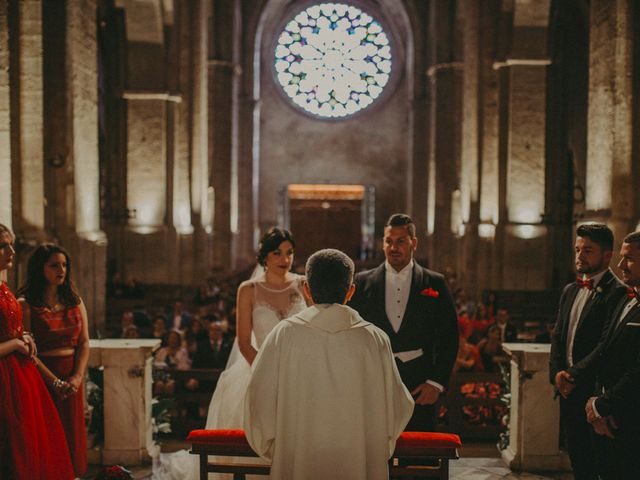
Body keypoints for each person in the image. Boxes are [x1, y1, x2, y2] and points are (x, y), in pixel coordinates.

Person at [244, 248, 414, 479]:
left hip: (299, 456)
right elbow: (398, 405)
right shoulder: (374, 339)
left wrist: (277, 447)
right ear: (351, 291)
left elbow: (258, 397)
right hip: (357, 457)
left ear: (307, 289)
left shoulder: (284, 335)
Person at [152, 227, 307, 479]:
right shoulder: (248, 289)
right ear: (264, 256)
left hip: (298, 370)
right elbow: (244, 341)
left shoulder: (302, 284)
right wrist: (266, 371)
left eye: (289, 253)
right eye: (277, 253)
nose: (284, 259)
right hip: (256, 368)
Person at [349, 213, 458, 431]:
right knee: (375, 451)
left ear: (413, 243)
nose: (393, 247)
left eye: (400, 241)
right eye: (389, 241)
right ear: (383, 243)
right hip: (374, 381)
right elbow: (351, 336)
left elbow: (449, 336)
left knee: (418, 455)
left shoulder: (434, 282)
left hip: (420, 385)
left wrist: (436, 383)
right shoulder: (362, 283)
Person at [547, 223, 624, 480]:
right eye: (577, 249)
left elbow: (605, 345)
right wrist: (557, 373)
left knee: (602, 464)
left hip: (595, 391)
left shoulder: (619, 292)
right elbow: (558, 337)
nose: (580, 256)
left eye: (588, 250)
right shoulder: (570, 289)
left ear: (607, 255)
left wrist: (572, 375)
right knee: (577, 460)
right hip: (568, 392)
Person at [0, 225, 75, 479]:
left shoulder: (4, 287)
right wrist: (16, 345)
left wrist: (24, 336)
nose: (11, 251)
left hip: (21, 378)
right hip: (5, 380)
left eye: (11, 244)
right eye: (2, 246)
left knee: (32, 445)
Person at [569, 231, 640, 478]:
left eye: (629, 258)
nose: (620, 265)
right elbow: (605, 352)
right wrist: (596, 404)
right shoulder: (626, 300)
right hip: (605, 414)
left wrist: (603, 404)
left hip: (630, 416)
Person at [18, 243, 90, 478]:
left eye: (64, 265)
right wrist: (55, 382)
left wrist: (77, 377)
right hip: (41, 377)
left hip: (71, 377)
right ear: (40, 269)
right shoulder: (27, 304)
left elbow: (83, 343)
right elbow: (28, 351)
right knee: (46, 436)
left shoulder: (75, 301)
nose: (61, 270)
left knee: (71, 435)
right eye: (54, 265)